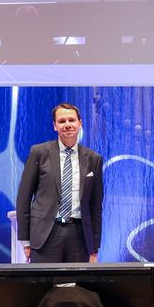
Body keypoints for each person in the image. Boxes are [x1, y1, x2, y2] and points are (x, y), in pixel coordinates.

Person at [16, 103, 103, 263]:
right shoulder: (39, 153)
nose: (68, 125)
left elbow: (95, 206)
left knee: (76, 287)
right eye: (62, 121)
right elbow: (23, 198)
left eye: (72, 120)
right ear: (55, 126)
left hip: (79, 237)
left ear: (80, 123)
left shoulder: (93, 159)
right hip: (45, 235)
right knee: (45, 287)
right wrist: (25, 239)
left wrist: (94, 246)